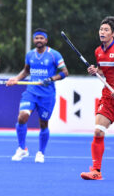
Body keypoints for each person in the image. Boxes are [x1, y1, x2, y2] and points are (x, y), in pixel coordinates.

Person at [81, 16, 114, 180]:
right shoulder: (98, 51)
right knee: (98, 131)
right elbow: (103, 70)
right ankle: (96, 171)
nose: (102, 32)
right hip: (108, 97)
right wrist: (95, 71)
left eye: (106, 30)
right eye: (101, 29)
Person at [6, 28, 69, 163]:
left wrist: (51, 79)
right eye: (37, 38)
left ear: (46, 40)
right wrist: (16, 79)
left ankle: (41, 152)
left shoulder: (54, 55)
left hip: (47, 96)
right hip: (31, 93)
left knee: (43, 123)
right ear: (34, 40)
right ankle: (22, 149)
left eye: (42, 38)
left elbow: (65, 72)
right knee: (22, 117)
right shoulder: (30, 55)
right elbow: (26, 71)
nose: (39, 40)